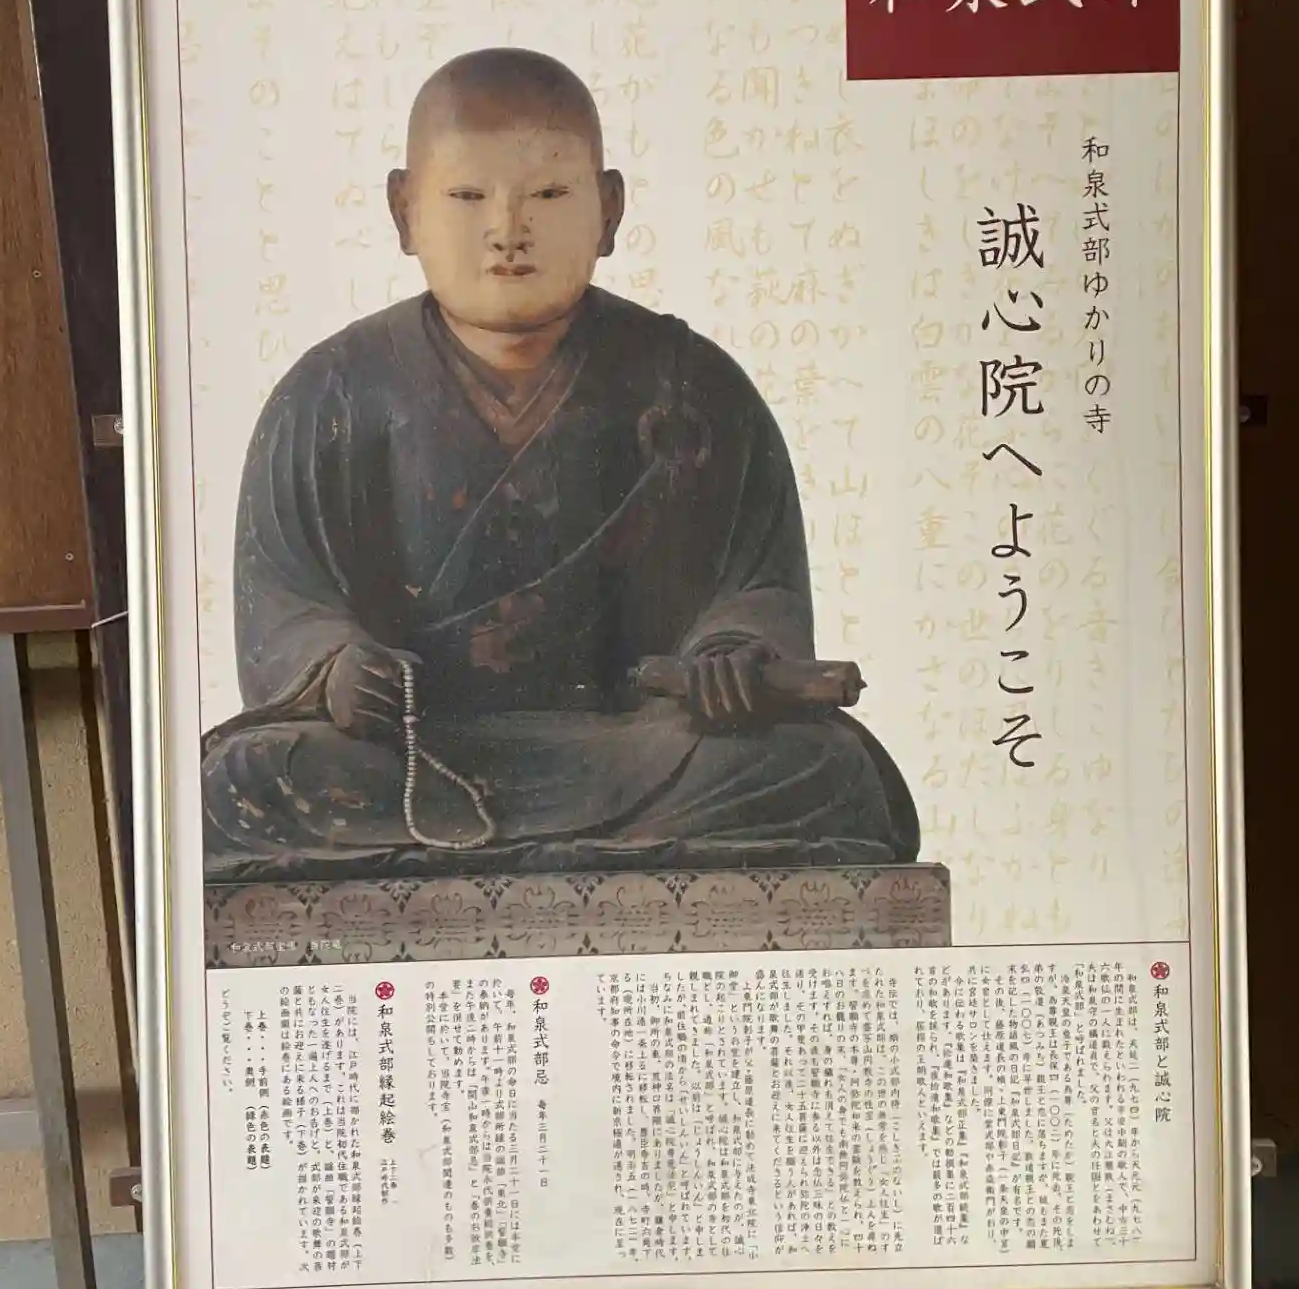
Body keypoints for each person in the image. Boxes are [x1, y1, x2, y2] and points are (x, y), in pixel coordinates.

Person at [201, 47, 919, 880]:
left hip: (640, 752)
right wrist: (331, 667)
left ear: (609, 210)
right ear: (404, 210)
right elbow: (284, 599)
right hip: (412, 758)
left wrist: (733, 652)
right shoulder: (332, 391)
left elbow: (756, 583)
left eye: (548, 195)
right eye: (467, 197)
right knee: (243, 781)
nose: (508, 229)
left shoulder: (692, 384)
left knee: (823, 768)